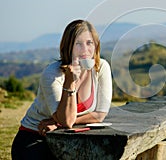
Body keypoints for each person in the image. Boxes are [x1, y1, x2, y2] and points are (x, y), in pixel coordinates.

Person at [11, 19, 112, 160]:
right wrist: (70, 82)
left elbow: (100, 114)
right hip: (36, 137)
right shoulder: (52, 74)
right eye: (78, 44)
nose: (85, 50)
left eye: (89, 43)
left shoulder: (101, 67)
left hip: (70, 139)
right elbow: (67, 121)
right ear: (68, 47)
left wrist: (57, 124)